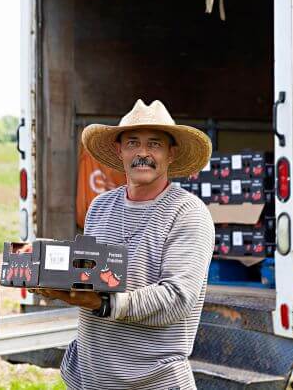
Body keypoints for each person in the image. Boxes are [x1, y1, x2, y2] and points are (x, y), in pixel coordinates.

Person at [33, 99, 215, 390]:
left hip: (152, 381)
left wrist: (104, 303)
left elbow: (178, 298)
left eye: (154, 144)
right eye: (133, 143)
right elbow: (88, 274)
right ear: (119, 150)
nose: (143, 153)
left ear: (171, 152)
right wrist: (49, 273)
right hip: (90, 378)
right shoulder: (101, 206)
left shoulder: (187, 213)